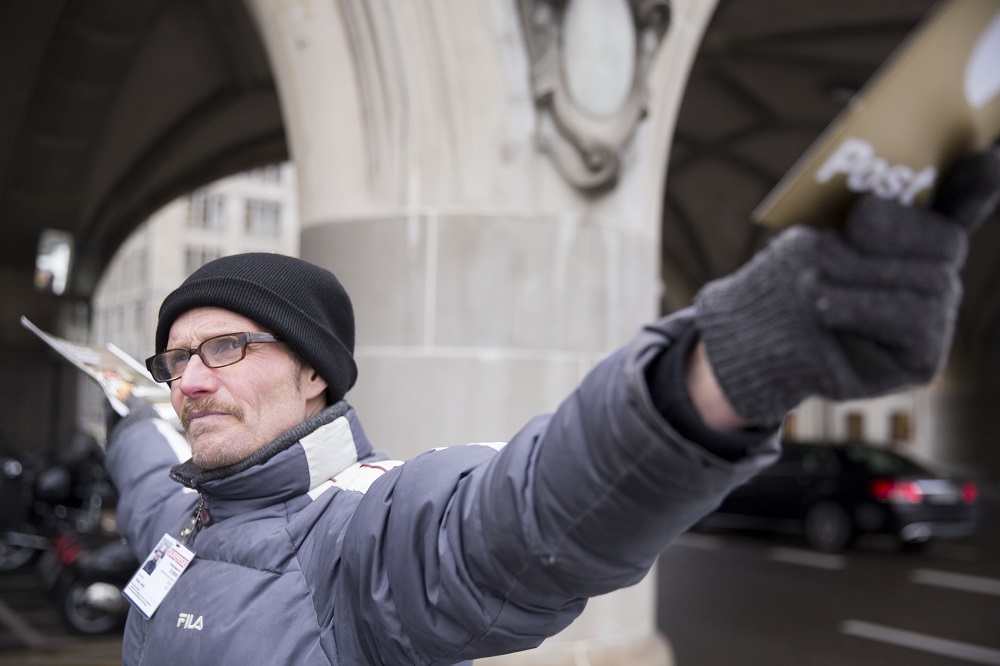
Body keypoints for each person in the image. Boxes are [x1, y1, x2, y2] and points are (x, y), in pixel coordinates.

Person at [104, 145, 1000, 665]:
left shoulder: (367, 531)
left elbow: (526, 514)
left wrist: (744, 355)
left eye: (227, 347)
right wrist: (121, 403)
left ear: (316, 377)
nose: (190, 381)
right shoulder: (186, 516)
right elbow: (145, 468)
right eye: (176, 358)